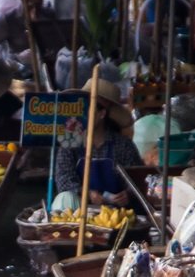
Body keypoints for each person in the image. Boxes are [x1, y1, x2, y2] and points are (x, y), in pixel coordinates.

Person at [51, 78, 144, 210]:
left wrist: (127, 194)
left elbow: (138, 180)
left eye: (87, 109)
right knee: (65, 197)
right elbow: (64, 180)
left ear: (102, 114)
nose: (82, 114)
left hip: (116, 213)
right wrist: (88, 194)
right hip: (80, 212)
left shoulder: (123, 145)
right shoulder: (70, 143)